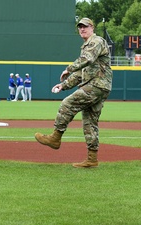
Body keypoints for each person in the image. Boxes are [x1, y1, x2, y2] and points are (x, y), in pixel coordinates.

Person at [34, 17, 113, 168]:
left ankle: (55, 138)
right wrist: (63, 85)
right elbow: (81, 74)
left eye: (85, 26)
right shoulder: (86, 46)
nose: (82, 29)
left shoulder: (96, 41)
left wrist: (69, 68)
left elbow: (87, 60)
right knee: (90, 122)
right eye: (80, 27)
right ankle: (92, 158)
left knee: (68, 103)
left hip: (97, 85)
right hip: (98, 85)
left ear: (92, 28)